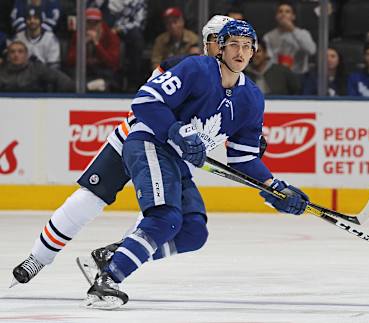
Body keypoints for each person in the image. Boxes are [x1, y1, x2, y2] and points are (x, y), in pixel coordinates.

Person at [82, 19, 309, 309]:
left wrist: (275, 188)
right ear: (221, 49)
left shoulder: (251, 98)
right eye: (234, 45)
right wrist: (174, 129)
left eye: (247, 47)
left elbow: (243, 158)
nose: (240, 52)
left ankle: (119, 255)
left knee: (192, 232)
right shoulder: (196, 69)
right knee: (166, 218)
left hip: (176, 159)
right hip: (149, 143)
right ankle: (107, 281)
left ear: (254, 53)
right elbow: (145, 100)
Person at [9, 14, 240, 287]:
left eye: (237, 42)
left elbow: (223, 122)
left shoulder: (235, 85)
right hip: (137, 137)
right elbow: (149, 101)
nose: (229, 47)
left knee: (170, 221)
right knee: (90, 198)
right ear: (209, 43)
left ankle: (116, 257)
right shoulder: (185, 66)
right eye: (221, 40)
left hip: (170, 156)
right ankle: (38, 257)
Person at [66, 7, 120, 92]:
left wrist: (97, 44)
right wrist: (83, 44)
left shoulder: (111, 37)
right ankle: (89, 86)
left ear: (101, 23)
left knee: (109, 80)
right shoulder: (78, 35)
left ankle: (90, 86)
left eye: (95, 23)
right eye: (89, 23)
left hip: (103, 72)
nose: (92, 26)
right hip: (85, 72)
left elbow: (112, 63)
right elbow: (70, 60)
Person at [263, 1, 316, 76]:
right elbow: (268, 59)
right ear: (276, 16)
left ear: (293, 16)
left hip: (299, 75)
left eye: (287, 11)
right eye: (280, 11)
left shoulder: (303, 33)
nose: (283, 14)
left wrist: (292, 29)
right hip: (278, 75)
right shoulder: (268, 36)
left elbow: (311, 50)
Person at [0, 40, 73, 92]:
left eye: (20, 51)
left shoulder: (37, 68)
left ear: (26, 55)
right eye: (12, 52)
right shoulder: (2, 72)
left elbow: (63, 80)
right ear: (8, 56)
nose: (16, 55)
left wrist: (59, 99)